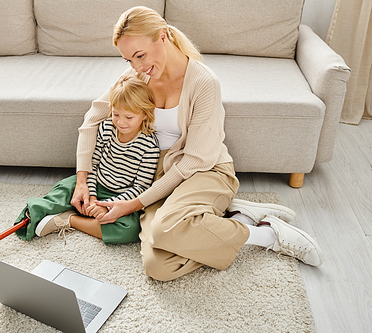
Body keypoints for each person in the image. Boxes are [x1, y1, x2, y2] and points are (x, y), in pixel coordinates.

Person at [70, 6, 323, 281]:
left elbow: (193, 160)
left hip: (205, 171)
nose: (137, 67)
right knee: (158, 267)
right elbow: (92, 119)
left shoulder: (203, 82)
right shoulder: (136, 78)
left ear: (162, 36)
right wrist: (82, 179)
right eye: (128, 60)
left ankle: (268, 234)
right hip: (159, 177)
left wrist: (133, 204)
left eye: (140, 55)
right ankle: (236, 218)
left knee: (164, 230)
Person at [0, 73, 160, 265]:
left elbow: (141, 188)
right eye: (116, 114)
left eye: (129, 117)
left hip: (122, 197)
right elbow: (93, 163)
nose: (121, 122)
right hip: (95, 183)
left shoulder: (150, 146)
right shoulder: (107, 128)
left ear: (145, 114)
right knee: (59, 193)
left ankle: (69, 220)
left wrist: (106, 205)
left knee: (131, 229)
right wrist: (90, 195)